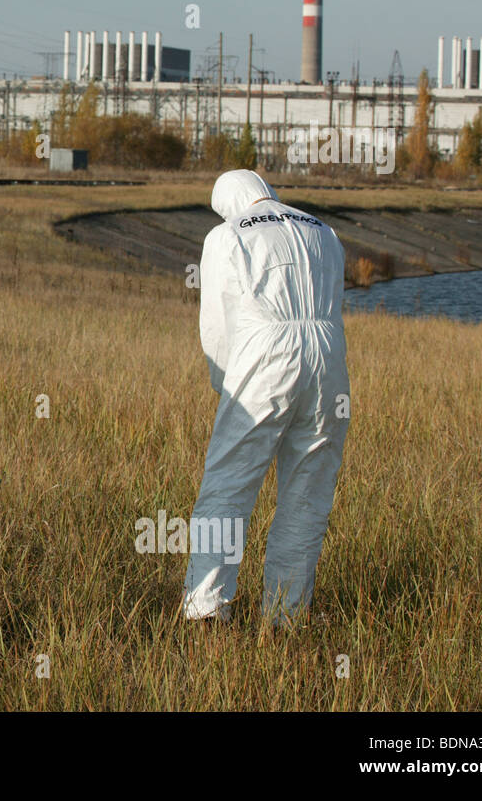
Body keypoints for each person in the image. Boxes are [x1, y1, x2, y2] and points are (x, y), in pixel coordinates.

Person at [183, 170, 350, 625]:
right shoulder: (323, 231)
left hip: (265, 353)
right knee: (308, 490)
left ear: (226, 203)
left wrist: (225, 386)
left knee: (228, 486)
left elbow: (217, 323)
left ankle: (207, 611)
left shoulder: (227, 235)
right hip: (329, 356)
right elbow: (334, 303)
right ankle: (285, 616)